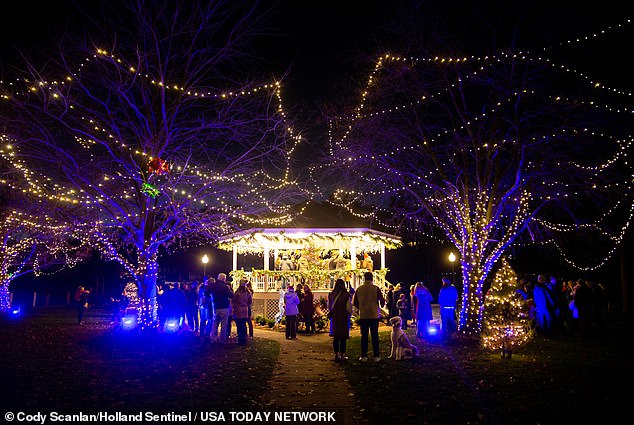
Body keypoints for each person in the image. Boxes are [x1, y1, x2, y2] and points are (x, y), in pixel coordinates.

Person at [353, 271, 386, 362]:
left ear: (364, 279)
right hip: (374, 315)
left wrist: (361, 307)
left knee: (364, 336)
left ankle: (364, 355)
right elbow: (382, 301)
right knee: (374, 335)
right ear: (372, 279)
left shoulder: (359, 289)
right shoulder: (376, 288)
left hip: (364, 315)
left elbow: (355, 302)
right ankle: (376, 355)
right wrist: (380, 306)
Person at [328, 278, 352, 361]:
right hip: (343, 317)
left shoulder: (331, 294)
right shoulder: (346, 295)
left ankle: (336, 354)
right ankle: (342, 354)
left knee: (336, 337)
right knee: (343, 337)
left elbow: (329, 306)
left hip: (335, 318)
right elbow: (349, 307)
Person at [208, 273, 234, 343]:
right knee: (224, 324)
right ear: (223, 279)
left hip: (215, 306)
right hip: (224, 306)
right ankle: (222, 339)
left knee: (215, 323)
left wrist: (212, 298)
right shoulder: (225, 287)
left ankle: (213, 338)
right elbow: (231, 295)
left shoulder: (213, 286)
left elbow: (206, 293)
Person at [231, 278, 253, 345]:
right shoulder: (248, 292)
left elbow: (234, 301)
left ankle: (240, 340)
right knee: (243, 325)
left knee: (239, 325)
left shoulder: (237, 292)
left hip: (238, 310)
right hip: (245, 310)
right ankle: (244, 339)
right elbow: (250, 302)